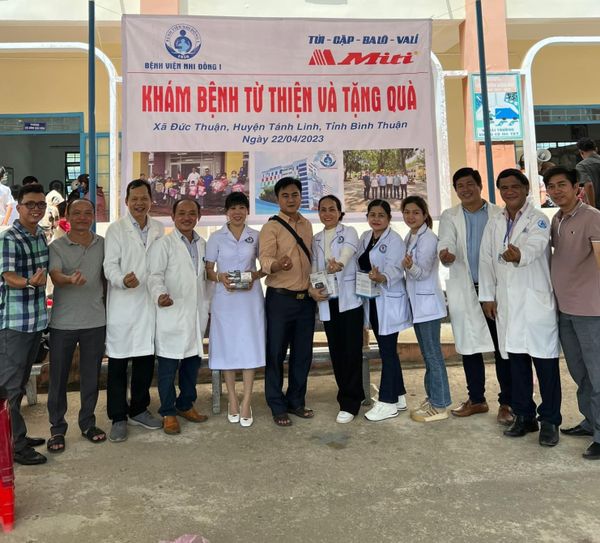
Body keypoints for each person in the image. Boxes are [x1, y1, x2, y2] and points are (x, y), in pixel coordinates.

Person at [479, 168, 561, 447]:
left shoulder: (538, 219)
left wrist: (519, 255)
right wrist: (487, 296)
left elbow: (536, 247)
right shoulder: (494, 222)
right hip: (508, 303)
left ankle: (550, 420)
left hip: (535, 302)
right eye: (504, 187)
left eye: (515, 186)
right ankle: (524, 416)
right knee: (516, 362)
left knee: (545, 364)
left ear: (526, 188)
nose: (509, 191)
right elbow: (486, 260)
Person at [438, 167, 513, 425]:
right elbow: (445, 241)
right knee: (469, 347)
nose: (465, 189)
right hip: (466, 287)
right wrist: (445, 254)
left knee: (502, 348)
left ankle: (507, 402)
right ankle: (477, 399)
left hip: (495, 289)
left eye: (470, 183)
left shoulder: (498, 213)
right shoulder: (449, 216)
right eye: (460, 185)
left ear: (480, 186)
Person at [544, 166, 600, 459]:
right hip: (565, 310)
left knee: (597, 374)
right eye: (551, 186)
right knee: (580, 372)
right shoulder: (557, 219)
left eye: (561, 185)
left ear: (576, 186)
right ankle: (590, 421)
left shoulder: (592, 217)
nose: (556, 191)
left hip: (591, 310)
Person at [103, 179, 165, 442]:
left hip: (149, 305)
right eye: (134, 199)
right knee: (118, 363)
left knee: (144, 361)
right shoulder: (116, 230)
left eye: (144, 198)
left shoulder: (159, 228)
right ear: (126, 201)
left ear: (151, 200)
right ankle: (118, 417)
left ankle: (139, 409)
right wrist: (121, 280)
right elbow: (109, 265)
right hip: (124, 304)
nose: (140, 203)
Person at [46, 198, 106, 452]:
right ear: (67, 217)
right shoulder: (57, 246)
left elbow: (108, 276)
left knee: (91, 376)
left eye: (87, 213)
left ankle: (87, 423)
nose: (82, 217)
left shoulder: (103, 244)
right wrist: (69, 279)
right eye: (77, 213)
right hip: (63, 322)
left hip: (96, 321)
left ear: (93, 216)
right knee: (58, 378)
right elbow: (55, 275)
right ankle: (57, 429)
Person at [147, 198, 210, 435]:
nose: (186, 217)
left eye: (192, 213)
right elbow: (154, 276)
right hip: (171, 312)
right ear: (173, 217)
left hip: (195, 314)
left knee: (191, 365)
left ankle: (185, 405)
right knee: (168, 367)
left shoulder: (203, 244)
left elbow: (206, 278)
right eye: (181, 213)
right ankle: (168, 412)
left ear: (198, 217)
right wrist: (160, 295)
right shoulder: (163, 244)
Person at [259, 177, 316, 427]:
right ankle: (277, 405)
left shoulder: (307, 225)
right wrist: (277, 265)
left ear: (301, 197)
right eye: (285, 195)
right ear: (277, 199)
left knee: (302, 355)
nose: (291, 199)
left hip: (306, 301)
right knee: (275, 354)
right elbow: (264, 259)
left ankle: (296, 402)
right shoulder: (271, 227)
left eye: (295, 194)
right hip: (280, 300)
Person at [205, 193, 264, 428]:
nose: (237, 212)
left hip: (250, 299)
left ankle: (247, 401)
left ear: (247, 211)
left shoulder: (256, 236)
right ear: (226, 212)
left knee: (249, 346)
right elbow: (208, 270)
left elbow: (265, 266)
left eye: (241, 208)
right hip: (225, 299)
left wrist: (254, 276)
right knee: (227, 347)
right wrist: (220, 277)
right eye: (233, 208)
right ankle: (232, 399)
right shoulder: (216, 237)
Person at [0, 183, 49, 465]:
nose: (36, 209)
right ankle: (15, 446)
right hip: (15, 324)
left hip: (36, 321)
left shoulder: (40, 235)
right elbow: (8, 276)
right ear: (18, 207)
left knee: (19, 383)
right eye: (30, 204)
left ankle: (15, 434)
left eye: (40, 204)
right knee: (10, 388)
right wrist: (29, 282)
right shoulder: (9, 238)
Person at [311, 195, 364, 423]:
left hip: (349, 302)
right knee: (337, 352)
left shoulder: (349, 232)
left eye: (332, 209)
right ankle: (350, 394)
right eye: (323, 210)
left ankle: (350, 403)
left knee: (351, 352)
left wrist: (339, 264)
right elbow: (315, 268)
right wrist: (314, 290)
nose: (327, 213)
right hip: (328, 300)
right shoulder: (316, 238)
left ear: (340, 212)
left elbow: (347, 253)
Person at [358, 199, 412, 421]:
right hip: (372, 301)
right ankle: (398, 397)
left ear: (389, 218)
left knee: (388, 351)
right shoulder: (365, 237)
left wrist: (383, 277)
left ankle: (387, 402)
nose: (376, 219)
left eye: (381, 215)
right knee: (387, 350)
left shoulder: (395, 240)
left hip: (388, 301)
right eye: (372, 214)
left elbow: (397, 269)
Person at [401, 196, 451, 422]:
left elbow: (422, 273)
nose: (410, 216)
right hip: (418, 306)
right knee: (428, 355)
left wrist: (410, 266)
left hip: (428, 306)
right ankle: (433, 398)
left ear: (424, 215)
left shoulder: (429, 238)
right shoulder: (411, 236)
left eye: (415, 212)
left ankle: (440, 405)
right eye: (407, 212)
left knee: (433, 355)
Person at [575, 137, 600, 210]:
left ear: (581, 152)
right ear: (596, 149)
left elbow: (588, 185)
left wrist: (592, 208)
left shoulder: (581, 166)